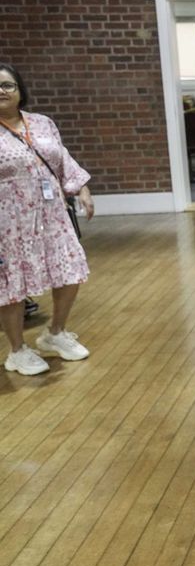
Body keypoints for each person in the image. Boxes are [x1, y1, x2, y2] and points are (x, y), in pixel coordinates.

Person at [0, 63, 94, 376]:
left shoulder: (42, 123)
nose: (2, 91)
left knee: (69, 272)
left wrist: (81, 188)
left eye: (8, 85)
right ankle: (17, 350)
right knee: (11, 285)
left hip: (52, 215)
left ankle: (54, 333)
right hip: (8, 222)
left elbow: (62, 158)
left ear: (19, 90)